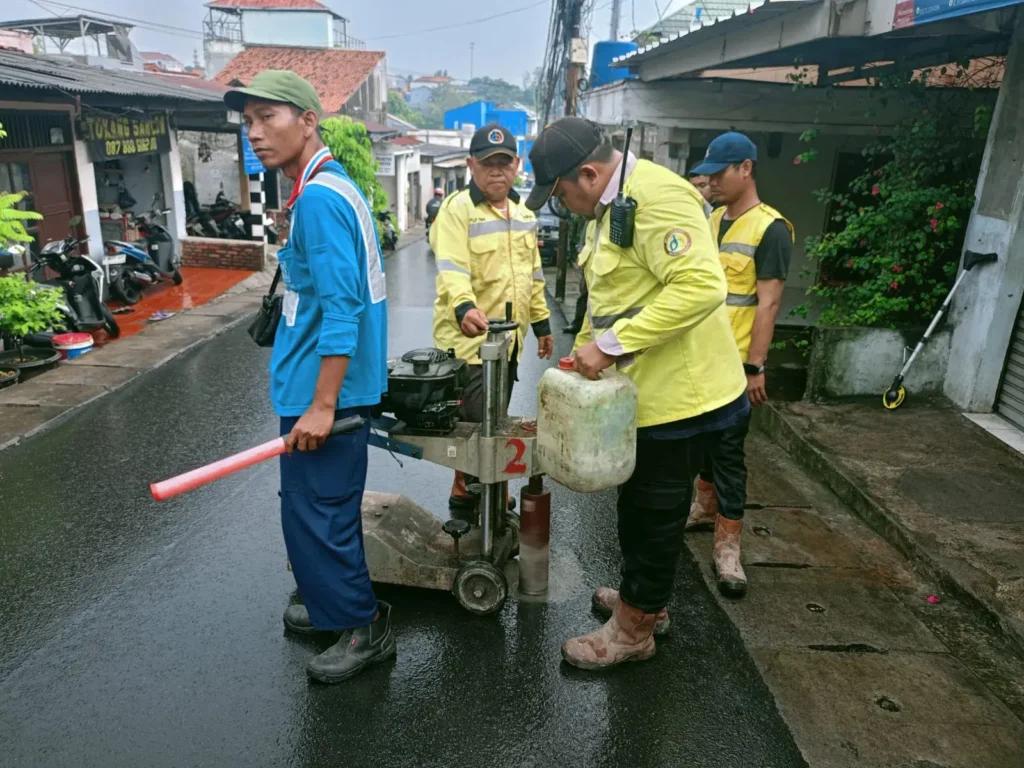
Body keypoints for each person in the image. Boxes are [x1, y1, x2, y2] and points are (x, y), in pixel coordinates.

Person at [525, 117, 748, 670]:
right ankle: (646, 602)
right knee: (639, 508)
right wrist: (582, 355)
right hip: (645, 393)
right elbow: (611, 297)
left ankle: (633, 633)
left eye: (559, 194)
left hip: (683, 397)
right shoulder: (609, 208)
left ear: (588, 172)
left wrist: (614, 347)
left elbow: (701, 286)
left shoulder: (657, 197)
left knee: (653, 513)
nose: (561, 206)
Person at [225, 71, 393, 684]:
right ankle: (331, 604)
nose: (256, 132)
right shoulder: (325, 186)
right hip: (318, 386)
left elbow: (344, 308)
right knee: (314, 506)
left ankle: (362, 626)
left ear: (307, 120)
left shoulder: (320, 198)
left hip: (327, 394)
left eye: (269, 117)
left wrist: (323, 405)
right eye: (248, 122)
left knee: (319, 510)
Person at [684, 132, 793, 597]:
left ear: (746, 168)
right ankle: (705, 506)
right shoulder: (709, 220)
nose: (712, 180)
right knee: (701, 441)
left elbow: (768, 303)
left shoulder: (770, 229)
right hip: (699, 359)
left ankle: (728, 546)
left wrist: (756, 367)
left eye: (720, 172)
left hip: (734, 367)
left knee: (729, 451)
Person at [431, 122, 554, 517]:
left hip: (508, 343)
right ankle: (483, 494)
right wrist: (465, 307)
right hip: (469, 345)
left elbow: (532, 276)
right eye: (488, 163)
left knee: (494, 417)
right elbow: (451, 268)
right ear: (471, 165)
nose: (497, 171)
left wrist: (542, 324)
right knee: (475, 424)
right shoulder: (457, 210)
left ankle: (467, 491)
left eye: (504, 162)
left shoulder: (523, 214)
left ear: (517, 164)